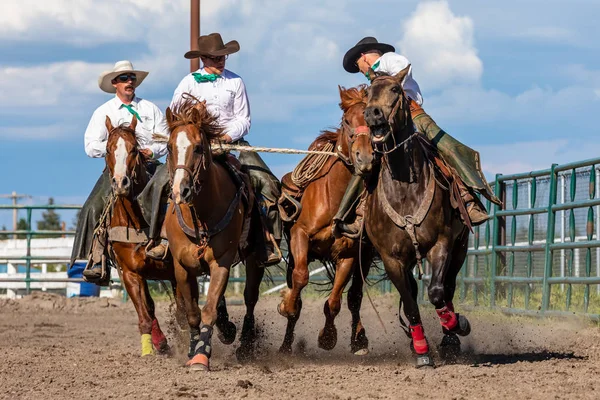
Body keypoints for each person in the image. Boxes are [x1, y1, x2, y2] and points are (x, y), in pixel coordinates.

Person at [334, 37, 500, 236]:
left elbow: (404, 66)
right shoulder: (373, 83)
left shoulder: (386, 61)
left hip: (413, 115)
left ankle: (468, 199)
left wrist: (386, 82)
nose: (359, 68)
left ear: (364, 57)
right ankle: (357, 213)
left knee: (444, 148)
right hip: (385, 126)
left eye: (357, 64)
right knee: (366, 162)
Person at [142, 32, 282, 266]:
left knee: (266, 182)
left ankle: (267, 240)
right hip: (193, 146)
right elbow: (175, 117)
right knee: (158, 183)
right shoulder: (188, 82)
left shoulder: (235, 82)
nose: (221, 61)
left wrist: (227, 136)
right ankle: (159, 237)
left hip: (230, 143)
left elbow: (244, 119)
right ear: (204, 59)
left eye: (223, 57)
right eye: (216, 57)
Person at [71, 61, 169, 283]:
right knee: (93, 206)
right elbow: (90, 145)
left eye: (132, 78)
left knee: (174, 194)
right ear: (115, 83)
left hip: (148, 165)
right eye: (124, 78)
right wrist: (114, 151)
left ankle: (171, 242)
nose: (129, 82)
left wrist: (150, 151)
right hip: (116, 169)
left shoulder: (150, 109)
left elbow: (165, 140)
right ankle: (96, 257)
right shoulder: (103, 112)